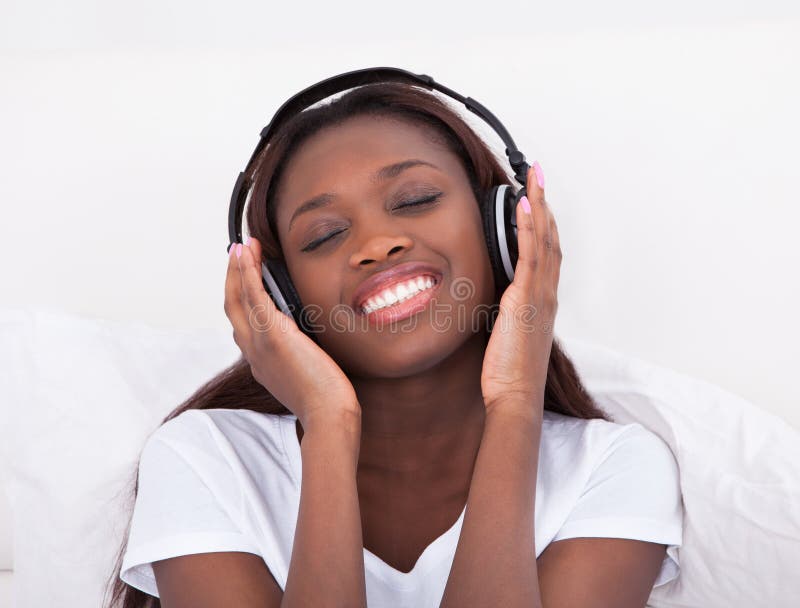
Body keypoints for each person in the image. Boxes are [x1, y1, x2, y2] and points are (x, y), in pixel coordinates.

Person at [105, 81, 683, 608]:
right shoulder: (208, 460)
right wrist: (328, 425)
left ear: (505, 229)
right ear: (278, 297)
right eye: (325, 234)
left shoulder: (613, 467)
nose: (377, 244)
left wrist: (515, 402)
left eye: (414, 200)